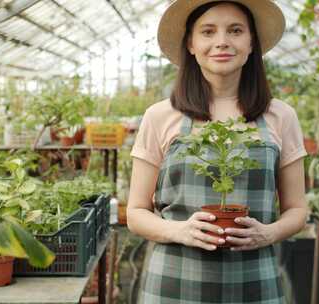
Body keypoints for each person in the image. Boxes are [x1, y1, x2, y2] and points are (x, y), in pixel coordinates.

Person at [127, 1, 308, 303]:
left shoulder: (281, 116)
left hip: (255, 282)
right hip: (174, 282)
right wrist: (179, 231)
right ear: (192, 44)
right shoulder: (160, 116)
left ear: (251, 43)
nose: (222, 41)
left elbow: (297, 209)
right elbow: (135, 213)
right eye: (208, 31)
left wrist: (269, 233)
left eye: (235, 30)